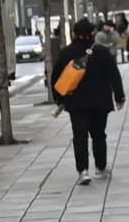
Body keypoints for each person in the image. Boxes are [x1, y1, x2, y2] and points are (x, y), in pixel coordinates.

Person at [53, 17, 124, 185]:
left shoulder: (67, 53)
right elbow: (114, 75)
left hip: (76, 103)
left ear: (74, 34)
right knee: (99, 134)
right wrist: (119, 96)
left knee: (80, 136)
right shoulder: (101, 51)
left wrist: (59, 99)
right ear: (91, 34)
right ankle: (100, 167)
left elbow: (56, 77)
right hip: (100, 101)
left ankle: (83, 171)